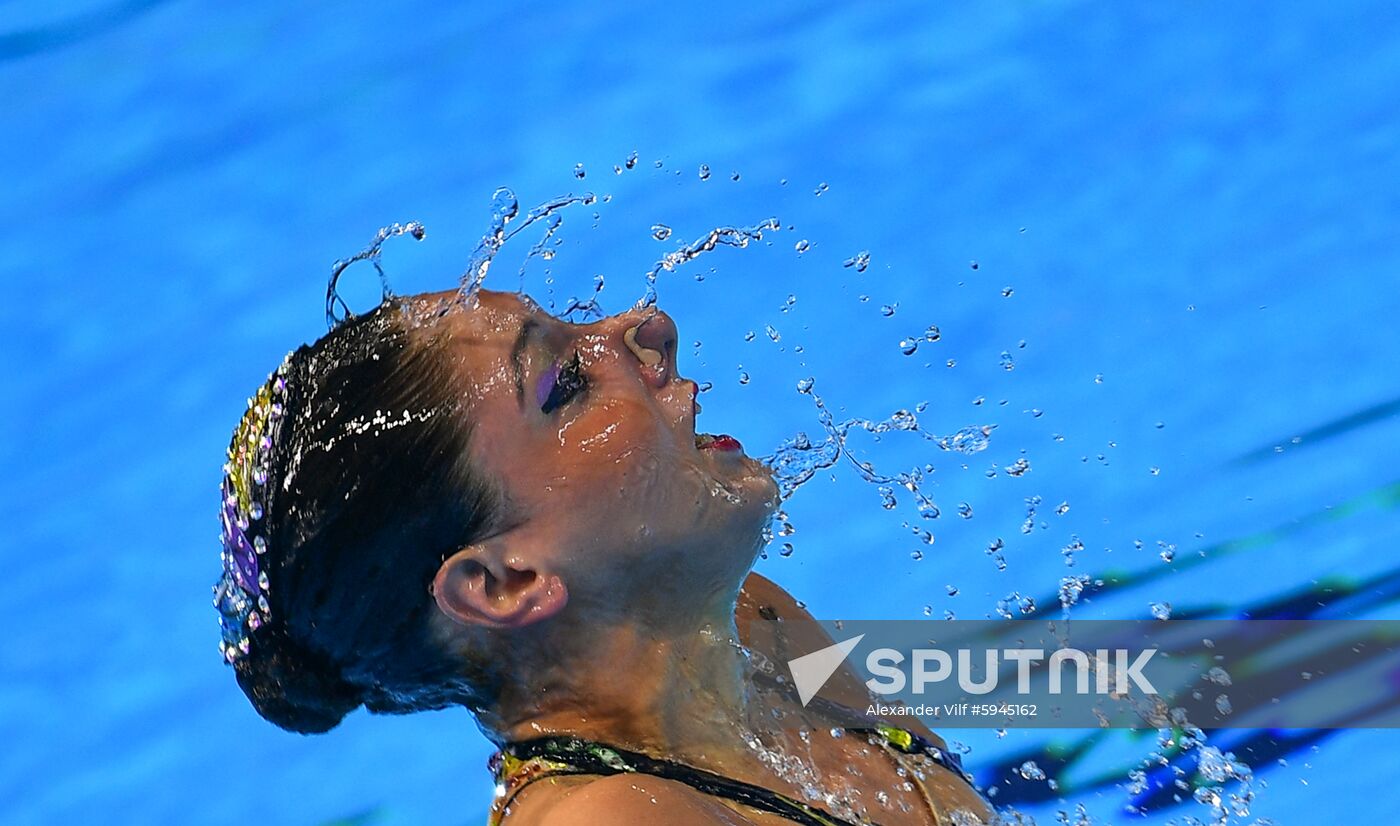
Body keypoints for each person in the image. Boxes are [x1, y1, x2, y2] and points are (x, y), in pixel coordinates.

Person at [214, 288, 994, 825]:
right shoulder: (610, 816)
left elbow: (1082, 679)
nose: (647, 328)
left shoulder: (754, 624)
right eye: (565, 384)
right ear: (502, 582)